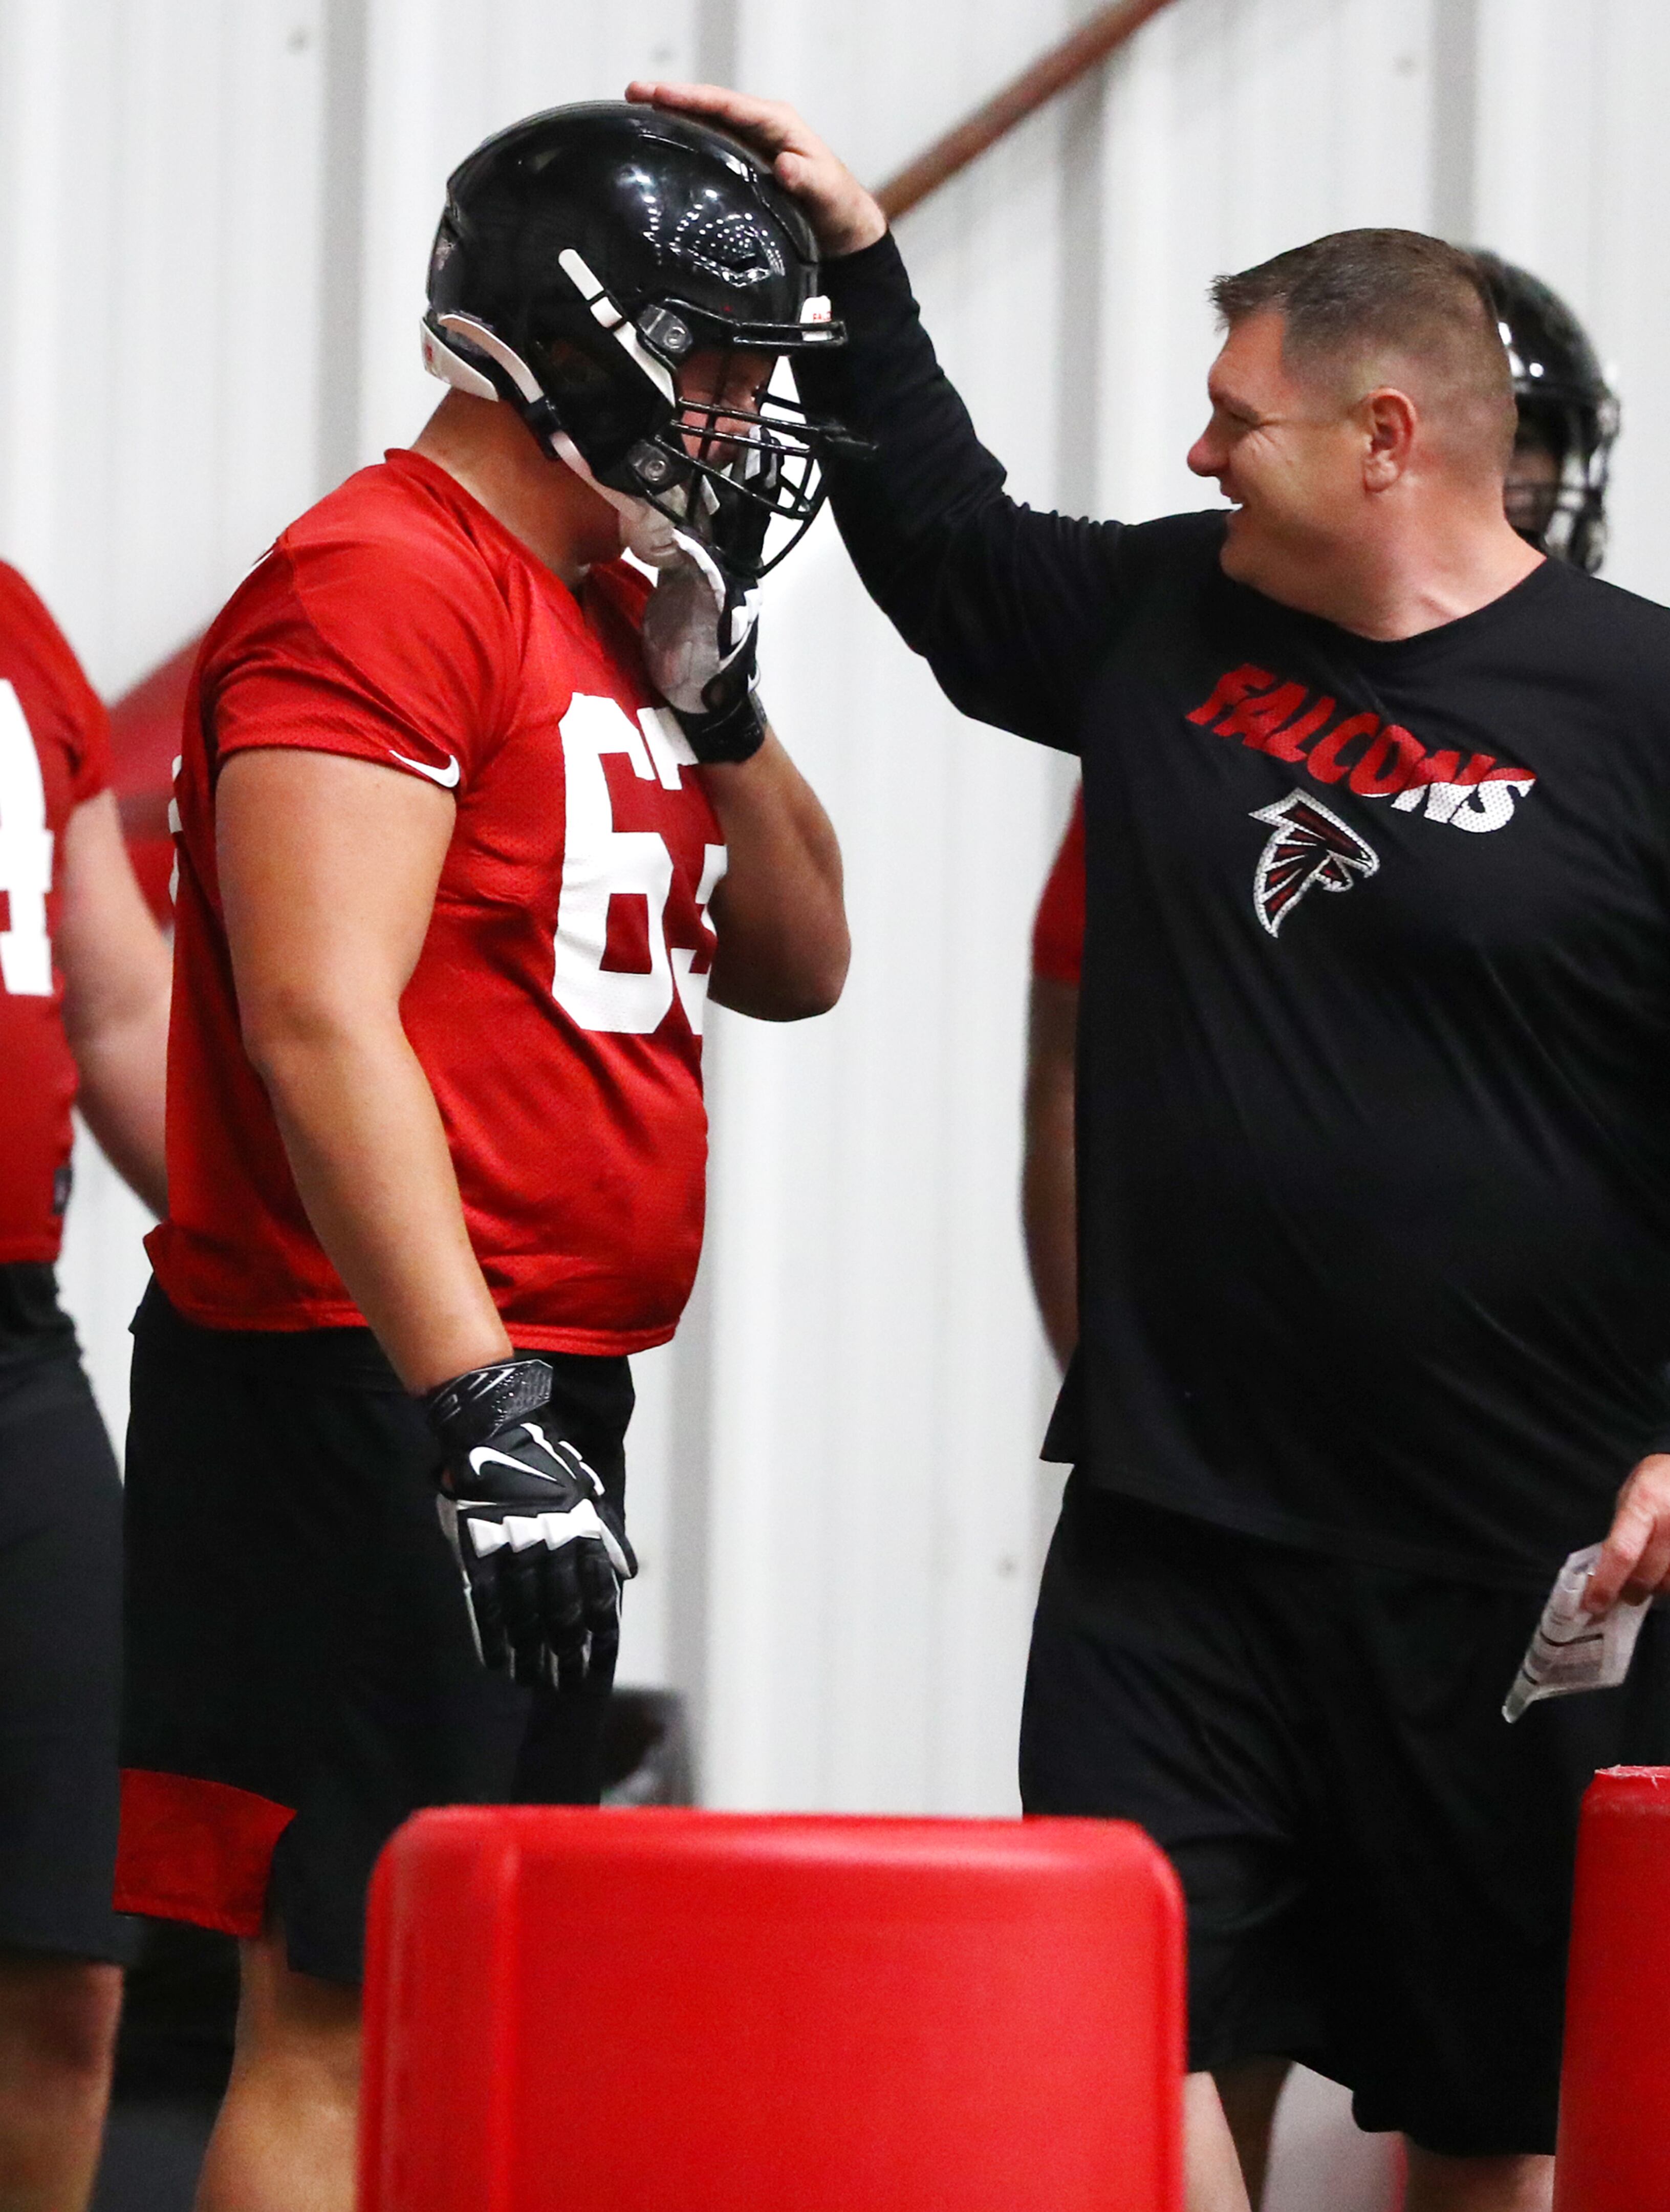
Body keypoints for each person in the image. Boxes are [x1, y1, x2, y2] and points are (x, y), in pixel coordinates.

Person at [633, 82, 1670, 2212]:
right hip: (1182, 1534)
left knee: (1485, 2124)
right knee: (1129, 2042)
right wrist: (859, 266)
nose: (1198, 450)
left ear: (1390, 438)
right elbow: (950, 550)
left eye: (1240, 416)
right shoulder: (1172, 628)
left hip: (1521, 1565)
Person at [113, 102, 854, 2212]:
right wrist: (477, 1411)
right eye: (711, 358)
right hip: (372, 1377)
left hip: (524, 1377)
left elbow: (801, 957)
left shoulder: (613, 598)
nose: (735, 414)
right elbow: (317, 1011)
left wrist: (725, 713)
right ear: (573, 332)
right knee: (336, 1994)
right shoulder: (378, 577)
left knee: (450, 1970)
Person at [0, 562, 171, 2211]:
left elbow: (115, 1002)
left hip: (12, 1351)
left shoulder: (8, 621)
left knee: (63, 1951)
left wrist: (335, 1255)